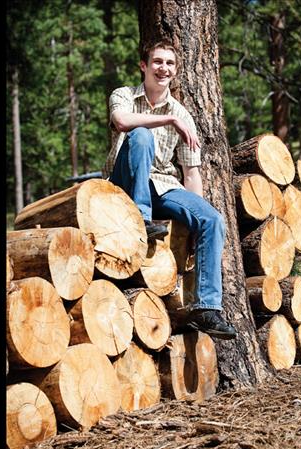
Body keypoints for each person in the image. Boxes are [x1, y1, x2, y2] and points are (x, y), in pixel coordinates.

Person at [102, 39, 236, 340]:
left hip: (162, 186)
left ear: (175, 71)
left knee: (212, 219)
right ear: (144, 66)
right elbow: (122, 121)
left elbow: (191, 173)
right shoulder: (124, 95)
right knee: (141, 135)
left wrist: (193, 222)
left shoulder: (184, 115)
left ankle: (206, 308)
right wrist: (168, 119)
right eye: (158, 62)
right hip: (123, 184)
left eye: (170, 64)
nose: (164, 68)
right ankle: (141, 220)